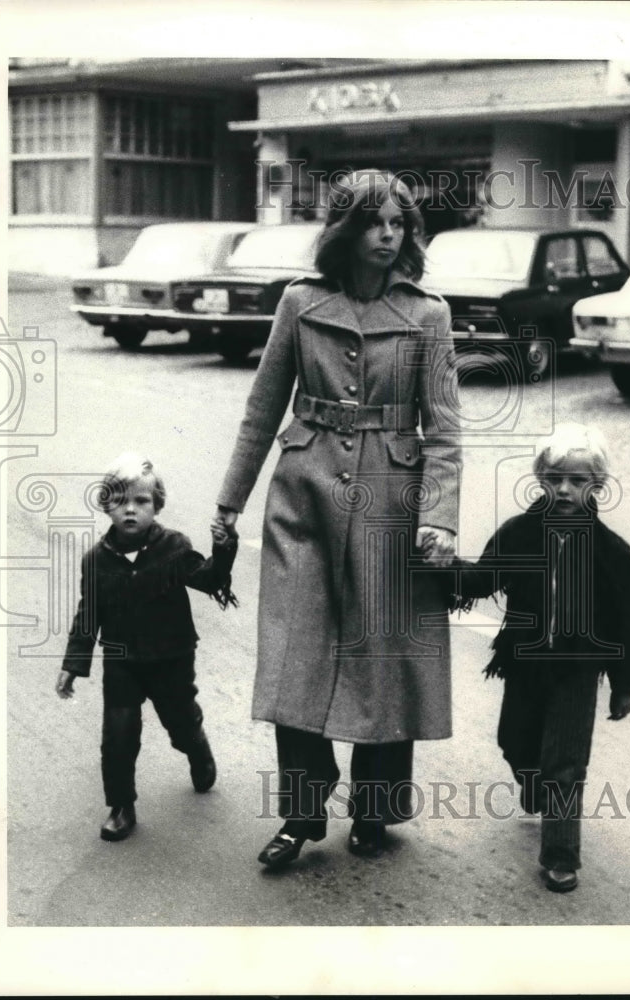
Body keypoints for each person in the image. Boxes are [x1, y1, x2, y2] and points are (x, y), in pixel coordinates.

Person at [214, 169, 462, 868]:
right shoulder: (300, 302)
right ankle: (300, 815)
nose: (388, 236)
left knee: (382, 662)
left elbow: (443, 427)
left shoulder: (428, 313)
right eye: (375, 223)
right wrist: (229, 503)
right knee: (296, 656)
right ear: (345, 229)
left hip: (393, 502)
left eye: (399, 224)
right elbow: (263, 409)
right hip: (304, 498)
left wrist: (438, 518)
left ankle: (375, 811)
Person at [451, 423, 630, 892]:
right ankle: (530, 780)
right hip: (524, 663)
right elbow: (480, 581)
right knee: (514, 741)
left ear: (597, 484)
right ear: (540, 479)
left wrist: (624, 685)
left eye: (577, 481)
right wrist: (442, 565)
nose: (564, 489)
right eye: (555, 479)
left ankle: (561, 855)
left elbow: (624, 623)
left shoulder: (613, 552)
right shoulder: (518, 534)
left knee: (566, 763)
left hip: (578, 670)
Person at [56, 452, 238, 842]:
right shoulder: (96, 561)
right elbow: (88, 616)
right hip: (122, 661)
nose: (131, 510)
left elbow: (209, 581)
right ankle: (122, 805)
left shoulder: (173, 546)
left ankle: (196, 747)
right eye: (121, 501)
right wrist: (73, 664)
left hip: (171, 657)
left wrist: (224, 549)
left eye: (141, 501)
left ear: (157, 506)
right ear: (106, 506)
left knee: (180, 721)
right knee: (118, 735)